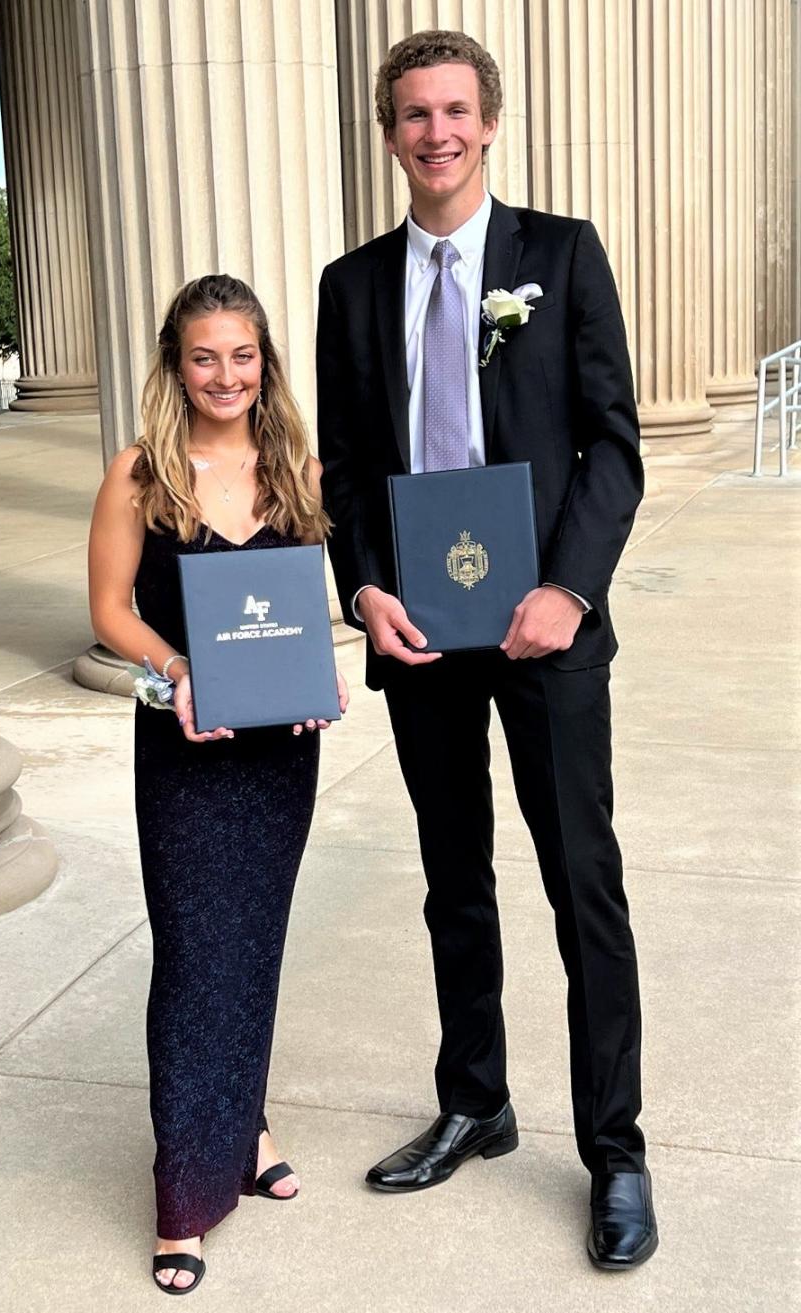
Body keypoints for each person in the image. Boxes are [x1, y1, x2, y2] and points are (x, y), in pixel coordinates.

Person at [317, 30, 656, 1270]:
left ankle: (616, 1150)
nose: (436, 133)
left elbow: (614, 443)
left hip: (544, 629)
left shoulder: (559, 256)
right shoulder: (351, 286)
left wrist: (568, 586)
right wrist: (362, 586)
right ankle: (478, 1099)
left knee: (582, 886)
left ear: (490, 122)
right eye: (413, 114)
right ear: (389, 132)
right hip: (424, 635)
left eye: (455, 110)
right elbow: (345, 467)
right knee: (453, 878)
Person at [88, 274, 347, 1294]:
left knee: (255, 943)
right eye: (205, 356)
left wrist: (313, 669)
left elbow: (298, 608)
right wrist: (178, 666)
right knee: (195, 956)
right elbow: (111, 608)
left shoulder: (298, 469)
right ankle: (185, 1196)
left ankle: (245, 1124)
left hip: (280, 751)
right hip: (186, 748)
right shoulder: (142, 473)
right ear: (176, 363)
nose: (225, 375)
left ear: (265, 362)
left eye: (243, 355)